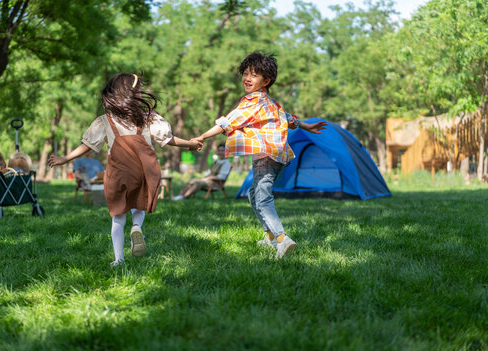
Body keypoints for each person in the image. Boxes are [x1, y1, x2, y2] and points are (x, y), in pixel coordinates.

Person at [48, 73, 201, 266]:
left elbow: (87, 144)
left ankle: (119, 259)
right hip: (144, 168)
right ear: (133, 94)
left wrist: (65, 158)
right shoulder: (147, 117)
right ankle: (136, 226)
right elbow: (168, 140)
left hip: (118, 170)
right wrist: (191, 144)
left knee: (118, 217)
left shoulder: (106, 120)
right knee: (140, 205)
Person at [192, 51, 327, 259]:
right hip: (278, 156)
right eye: (246, 73)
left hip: (265, 156)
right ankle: (270, 236)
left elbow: (228, 122)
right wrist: (308, 126)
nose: (247, 78)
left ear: (266, 80)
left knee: (263, 198)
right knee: (253, 194)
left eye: (254, 75)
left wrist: (202, 136)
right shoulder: (270, 102)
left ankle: (282, 239)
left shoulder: (252, 102)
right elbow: (289, 119)